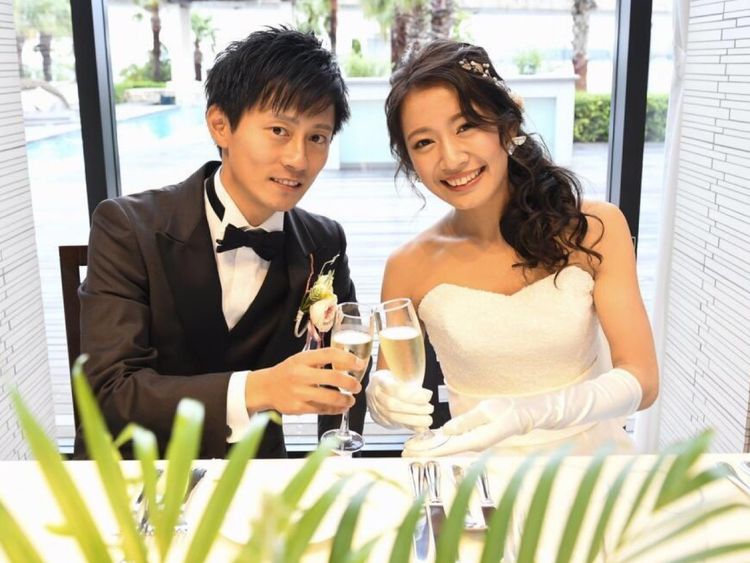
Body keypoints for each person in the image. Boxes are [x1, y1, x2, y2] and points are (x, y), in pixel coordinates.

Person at [78, 27, 367, 459]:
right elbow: (110, 392)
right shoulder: (128, 228)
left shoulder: (324, 242)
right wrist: (258, 388)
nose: (298, 159)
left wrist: (334, 460)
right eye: (279, 130)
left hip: (258, 471)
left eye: (317, 137)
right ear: (220, 125)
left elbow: (343, 364)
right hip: (136, 472)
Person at [366, 40, 659, 456]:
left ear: (506, 127)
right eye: (424, 143)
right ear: (410, 162)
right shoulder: (407, 266)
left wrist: (530, 413)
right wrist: (382, 397)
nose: (452, 158)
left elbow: (643, 381)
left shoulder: (595, 228)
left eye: (466, 126)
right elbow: (396, 385)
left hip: (593, 468)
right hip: (475, 475)